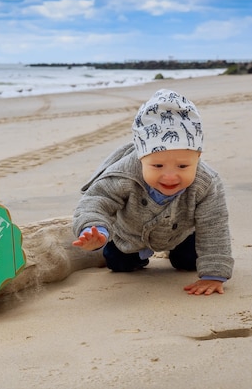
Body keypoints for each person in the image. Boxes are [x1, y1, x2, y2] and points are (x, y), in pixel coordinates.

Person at [72, 89, 234, 296]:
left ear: (198, 156)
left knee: (188, 260)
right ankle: (114, 246)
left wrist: (214, 273)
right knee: (119, 263)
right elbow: (97, 200)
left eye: (183, 166)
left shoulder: (206, 182)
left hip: (180, 235)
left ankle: (179, 253)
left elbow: (214, 224)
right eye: (157, 166)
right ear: (141, 157)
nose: (170, 176)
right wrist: (95, 229)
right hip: (131, 235)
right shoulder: (124, 174)